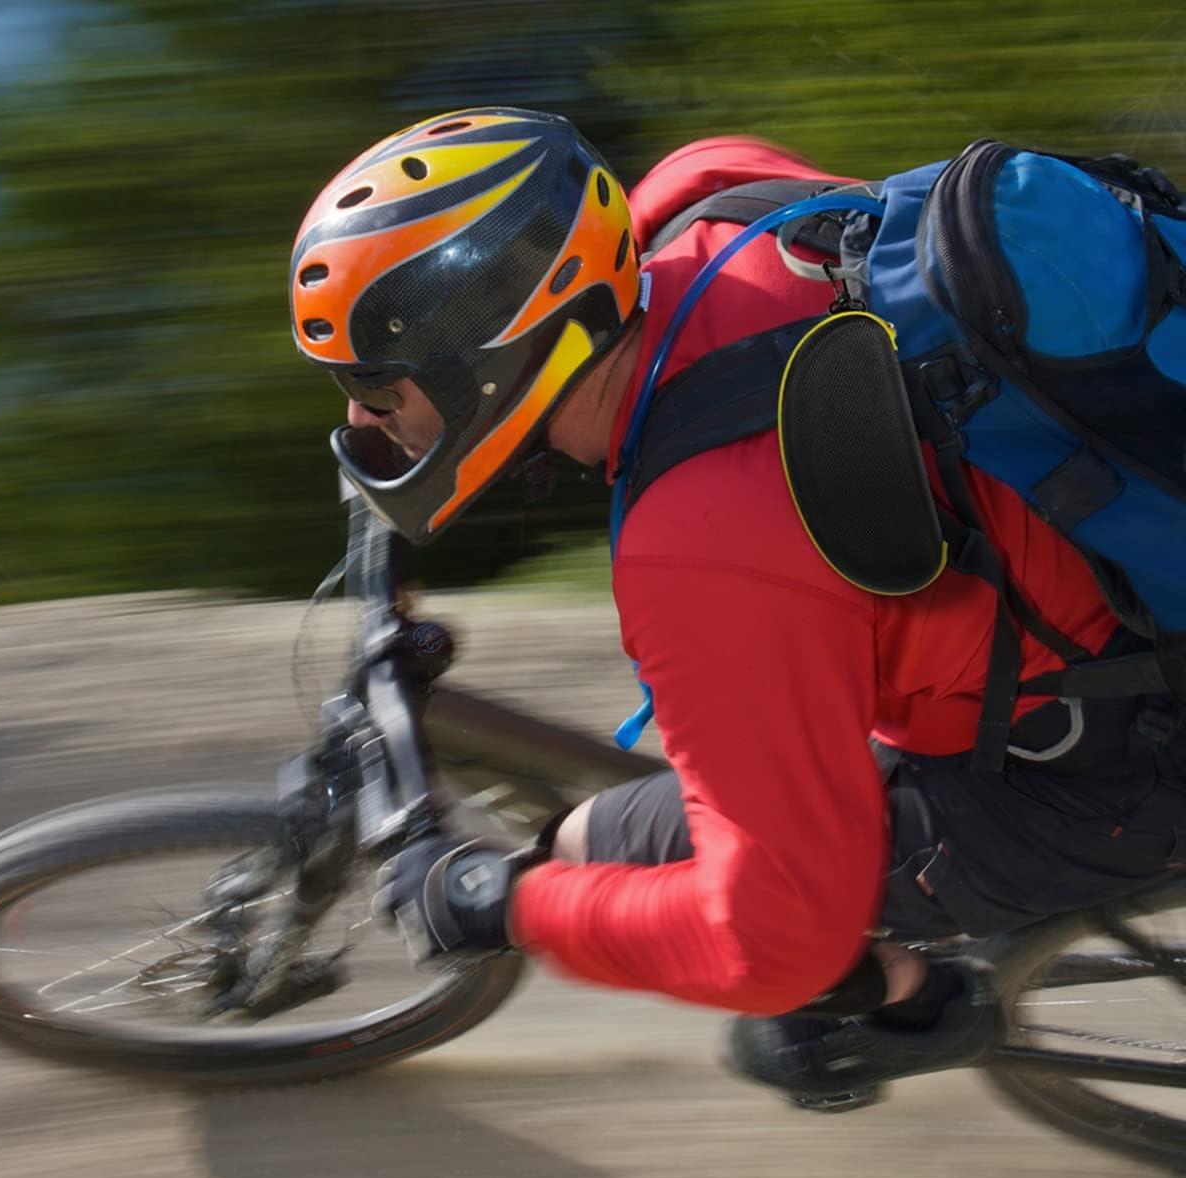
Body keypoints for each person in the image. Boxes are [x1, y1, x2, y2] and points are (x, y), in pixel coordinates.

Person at [289, 107, 1185, 1109]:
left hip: (1116, 766)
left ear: (490, 362)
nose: (359, 418)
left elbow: (771, 938)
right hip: (1112, 599)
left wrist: (493, 899)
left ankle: (912, 999)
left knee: (610, 853)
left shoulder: (702, 550)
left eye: (372, 384)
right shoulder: (711, 199)